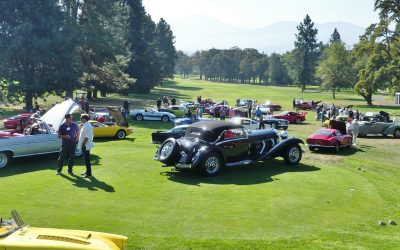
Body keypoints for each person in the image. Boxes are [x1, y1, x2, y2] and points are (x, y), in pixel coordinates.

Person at [78, 114, 94, 178]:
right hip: (85, 145)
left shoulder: (87, 126)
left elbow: (87, 137)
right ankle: (87, 172)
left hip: (85, 145)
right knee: (85, 159)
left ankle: (89, 174)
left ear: (84, 119)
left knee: (87, 160)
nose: (80, 119)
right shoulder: (86, 125)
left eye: (81, 118)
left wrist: (83, 144)